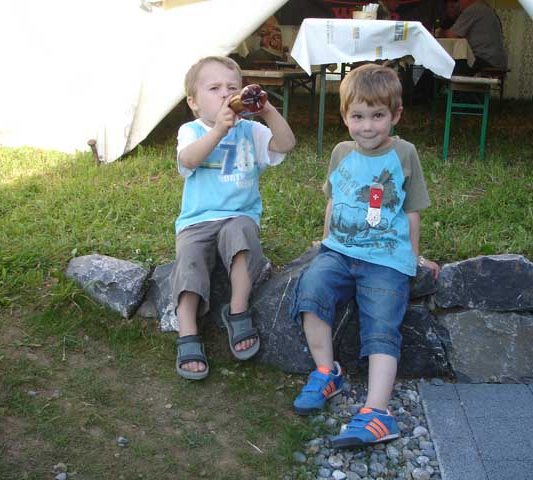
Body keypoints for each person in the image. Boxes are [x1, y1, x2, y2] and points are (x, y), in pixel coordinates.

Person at [290, 64, 440, 448]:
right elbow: (334, 199)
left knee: (382, 320)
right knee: (312, 288)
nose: (368, 126)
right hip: (340, 251)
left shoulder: (404, 153)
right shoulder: (341, 152)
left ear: (396, 115)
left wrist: (415, 257)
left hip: (386, 259)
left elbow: (412, 210)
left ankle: (377, 412)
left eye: (377, 116)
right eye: (357, 116)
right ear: (344, 116)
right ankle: (327, 372)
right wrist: (326, 240)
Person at [172, 56, 295, 380]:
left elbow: (286, 144)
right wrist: (218, 130)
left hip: (239, 215)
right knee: (189, 260)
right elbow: (188, 160)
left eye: (232, 87)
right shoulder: (191, 130)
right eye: (214, 89)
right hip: (198, 220)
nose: (226, 94)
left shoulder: (250, 130)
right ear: (194, 103)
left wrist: (267, 110)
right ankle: (187, 329)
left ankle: (238, 310)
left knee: (242, 240)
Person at [437, 0, 507, 74]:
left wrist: (440, 32)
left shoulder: (473, 9)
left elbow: (451, 36)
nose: (459, 4)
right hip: (495, 60)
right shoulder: (483, 8)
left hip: (486, 59)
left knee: (448, 67)